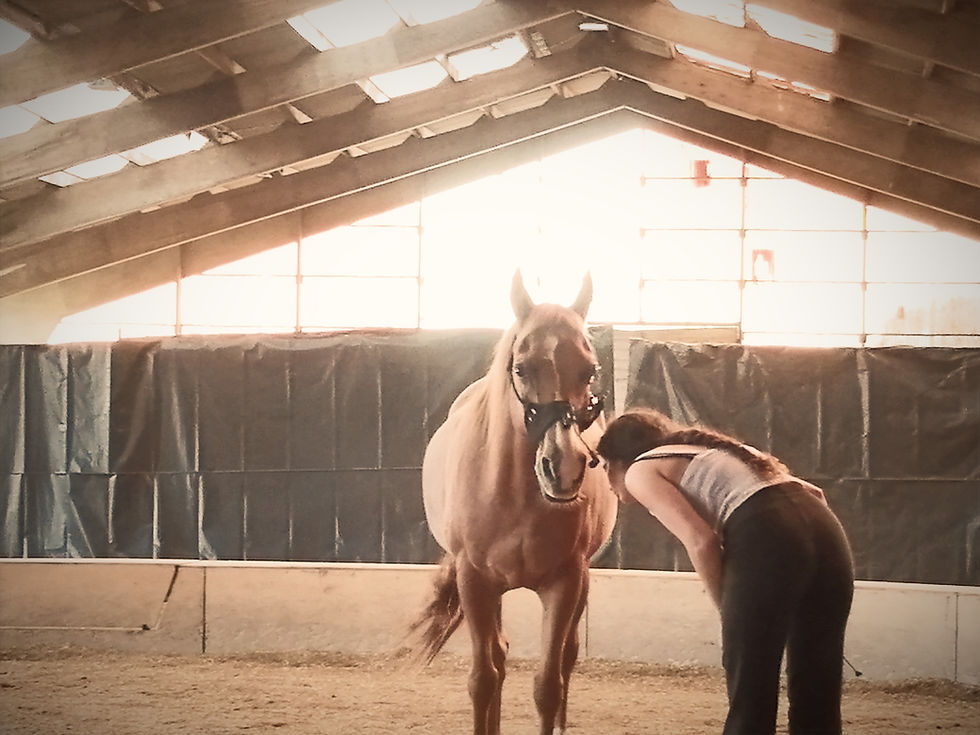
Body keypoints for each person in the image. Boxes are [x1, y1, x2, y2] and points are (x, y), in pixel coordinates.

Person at [596, 407, 854, 735]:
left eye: (604, 465)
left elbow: (700, 540)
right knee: (817, 686)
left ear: (619, 460)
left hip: (768, 533)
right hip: (826, 531)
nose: (606, 480)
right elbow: (814, 493)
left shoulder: (640, 470)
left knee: (752, 693)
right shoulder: (713, 451)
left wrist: (727, 609)